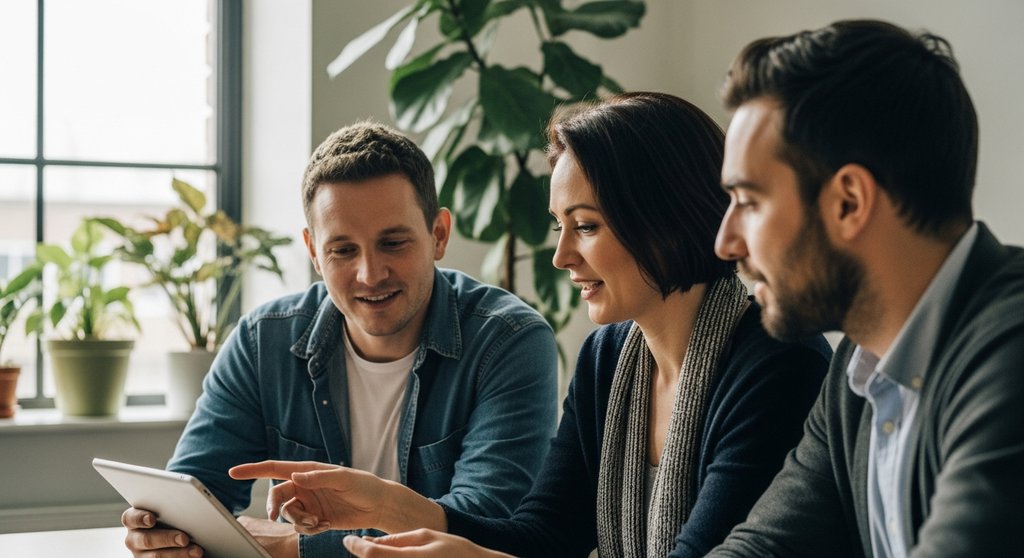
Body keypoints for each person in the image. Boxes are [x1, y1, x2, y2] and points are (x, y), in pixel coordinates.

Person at [231, 92, 833, 557]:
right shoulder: (608, 357)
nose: (562, 256)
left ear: (665, 217)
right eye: (558, 226)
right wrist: (390, 506)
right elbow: (545, 537)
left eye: (586, 226)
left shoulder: (778, 364)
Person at [120, 122, 559, 558]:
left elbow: (485, 525)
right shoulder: (261, 342)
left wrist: (297, 547)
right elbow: (194, 496)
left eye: (393, 243)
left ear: (438, 235)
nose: (370, 274)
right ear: (314, 251)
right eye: (343, 250)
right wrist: (165, 534)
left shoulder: (509, 341)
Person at [710, 20, 1024, 557]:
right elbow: (765, 546)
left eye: (750, 202)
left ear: (849, 202)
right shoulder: (859, 365)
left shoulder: (1009, 350)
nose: (725, 242)